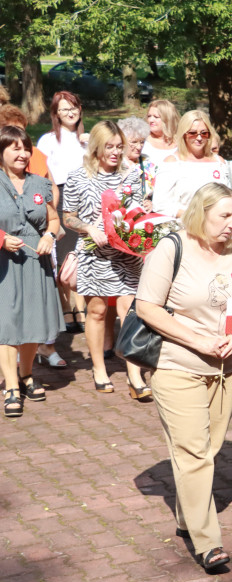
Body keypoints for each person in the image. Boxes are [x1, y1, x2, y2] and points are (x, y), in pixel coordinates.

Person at [135, 183, 232, 571]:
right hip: (177, 365)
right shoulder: (171, 248)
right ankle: (208, 542)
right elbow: (147, 308)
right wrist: (198, 340)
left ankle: (188, 515)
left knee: (207, 450)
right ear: (201, 213)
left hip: (228, 371)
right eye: (223, 216)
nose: (231, 224)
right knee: (195, 454)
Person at [62, 121, 148, 397]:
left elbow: (135, 211)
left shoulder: (131, 174)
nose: (115, 152)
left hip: (126, 254)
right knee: (97, 312)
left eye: (119, 147)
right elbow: (68, 217)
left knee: (129, 311)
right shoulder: (78, 176)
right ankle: (99, 368)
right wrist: (89, 228)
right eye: (109, 147)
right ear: (96, 147)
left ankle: (134, 374)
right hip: (94, 254)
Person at [0, 126, 62, 417]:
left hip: (36, 260)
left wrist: (50, 235)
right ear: (1, 152)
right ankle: (11, 385)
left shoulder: (39, 183)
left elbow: (53, 218)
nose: (23, 154)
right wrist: (1, 239)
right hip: (4, 264)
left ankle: (26, 375)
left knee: (33, 321)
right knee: (8, 324)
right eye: (15, 148)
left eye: (26, 148)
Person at [36, 91, 87, 337]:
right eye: (64, 108)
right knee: (64, 252)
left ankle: (82, 307)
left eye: (74, 107)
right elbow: (43, 176)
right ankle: (66, 307)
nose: (70, 112)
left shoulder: (89, 139)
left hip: (87, 198)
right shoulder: (47, 140)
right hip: (61, 196)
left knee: (83, 252)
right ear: (56, 113)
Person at [152, 110, 230, 218]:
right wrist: (193, 217)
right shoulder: (172, 163)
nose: (199, 138)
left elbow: (228, 198)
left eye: (204, 133)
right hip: (183, 225)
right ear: (184, 135)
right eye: (192, 133)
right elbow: (159, 205)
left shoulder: (219, 162)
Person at [117, 116, 153, 208]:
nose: (139, 147)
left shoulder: (148, 164)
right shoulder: (114, 162)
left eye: (142, 142)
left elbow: (153, 195)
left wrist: (150, 203)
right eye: (134, 142)